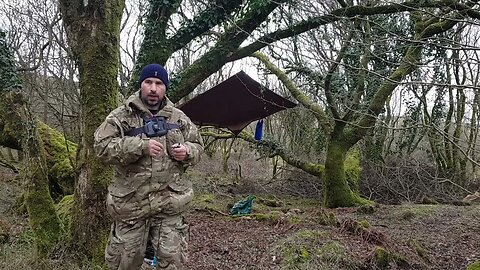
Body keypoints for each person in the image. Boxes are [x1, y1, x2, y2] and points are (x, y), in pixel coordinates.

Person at [94, 63, 204, 270]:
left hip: (170, 204)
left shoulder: (178, 118)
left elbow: (198, 146)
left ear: (165, 88)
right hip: (131, 205)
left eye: (159, 83)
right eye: (148, 82)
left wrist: (187, 152)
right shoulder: (121, 116)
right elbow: (101, 147)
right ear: (141, 85)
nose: (153, 88)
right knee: (124, 264)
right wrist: (139, 146)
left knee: (173, 263)